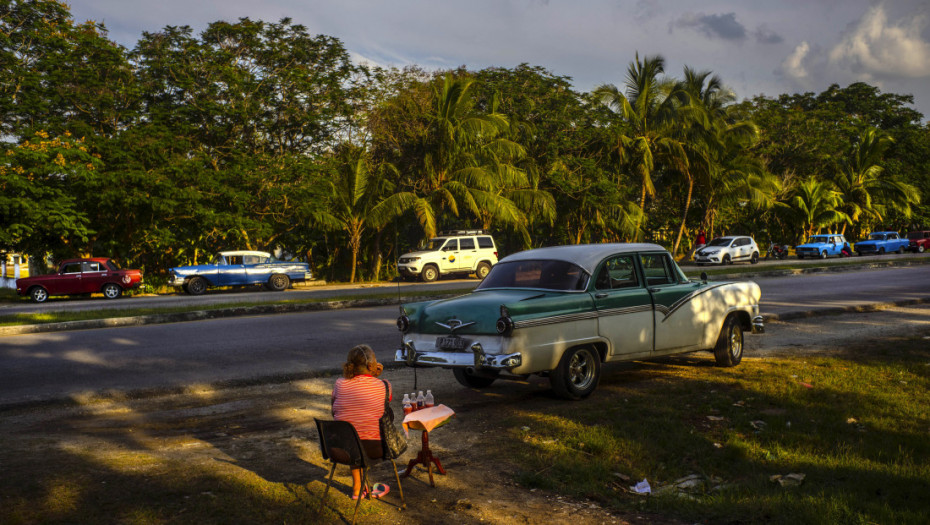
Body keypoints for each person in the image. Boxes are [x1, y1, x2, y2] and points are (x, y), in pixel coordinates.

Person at [331, 344, 391, 499]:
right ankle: (361, 487)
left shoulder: (339, 384)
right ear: (371, 366)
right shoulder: (384, 386)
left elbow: (334, 411)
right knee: (360, 435)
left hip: (341, 450)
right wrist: (375, 377)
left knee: (352, 433)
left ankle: (358, 487)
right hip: (374, 449)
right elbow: (385, 403)